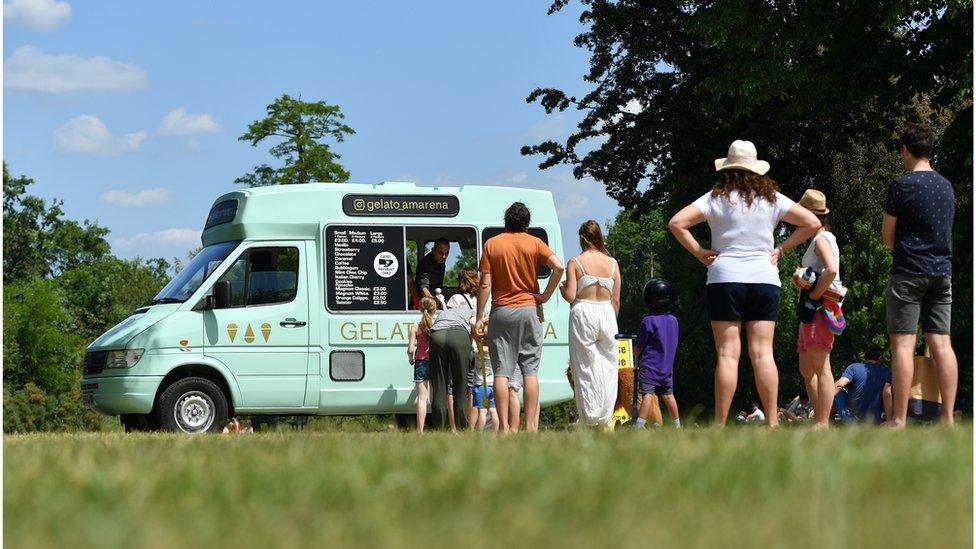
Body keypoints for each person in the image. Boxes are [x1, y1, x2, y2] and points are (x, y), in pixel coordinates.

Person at [668, 140, 820, 426]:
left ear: (728, 169)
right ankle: (773, 423)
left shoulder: (715, 198)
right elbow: (811, 222)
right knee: (763, 353)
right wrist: (783, 248)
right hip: (764, 279)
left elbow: (677, 222)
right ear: (756, 170)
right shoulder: (773, 198)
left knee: (727, 353)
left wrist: (700, 252)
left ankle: (721, 424)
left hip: (724, 279)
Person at [882, 122, 957, 427]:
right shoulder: (947, 186)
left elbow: (888, 237)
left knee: (902, 346)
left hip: (908, 273)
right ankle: (949, 419)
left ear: (905, 149)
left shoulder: (901, 185)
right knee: (942, 344)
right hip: (942, 273)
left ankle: (899, 419)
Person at [476, 202, 564, 432]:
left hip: (501, 311)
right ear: (526, 223)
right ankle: (531, 426)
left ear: (506, 220)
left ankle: (504, 427)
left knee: (501, 373)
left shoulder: (492, 244)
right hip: (529, 309)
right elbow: (559, 267)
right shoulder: (535, 243)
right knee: (530, 371)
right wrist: (544, 295)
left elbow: (485, 283)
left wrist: (478, 316)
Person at [559, 220, 621, 428]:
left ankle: (589, 417)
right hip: (607, 313)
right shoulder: (612, 264)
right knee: (608, 366)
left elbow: (570, 296)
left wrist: (562, 289)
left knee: (584, 367)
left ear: (583, 239)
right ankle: (605, 417)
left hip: (584, 312)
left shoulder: (575, 262)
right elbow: (616, 300)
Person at [793, 189, 842, 429]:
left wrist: (813, 294)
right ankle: (820, 416)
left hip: (819, 308)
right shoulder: (819, 239)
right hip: (811, 309)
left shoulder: (822, 239)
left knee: (822, 366)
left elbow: (831, 270)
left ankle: (823, 422)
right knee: (806, 366)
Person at [633, 279, 681, 429]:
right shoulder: (674, 320)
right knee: (668, 395)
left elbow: (639, 347)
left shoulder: (647, 321)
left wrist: (636, 353)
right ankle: (677, 426)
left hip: (650, 367)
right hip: (667, 367)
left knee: (648, 395)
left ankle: (639, 426)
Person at [428, 304, 476, 431]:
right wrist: (469, 342)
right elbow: (474, 325)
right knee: (460, 385)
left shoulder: (444, 313)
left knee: (439, 385)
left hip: (437, 335)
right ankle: (461, 427)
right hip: (459, 336)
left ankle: (438, 427)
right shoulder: (470, 311)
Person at [834, 346, 893, 424]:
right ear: (880, 358)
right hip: (873, 421)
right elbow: (887, 394)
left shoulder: (853, 367)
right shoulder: (887, 371)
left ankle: (828, 419)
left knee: (837, 390)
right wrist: (889, 421)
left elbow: (839, 385)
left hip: (850, 420)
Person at [407, 297, 436, 433]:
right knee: (435, 397)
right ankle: (438, 426)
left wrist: (410, 358)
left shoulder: (415, 326)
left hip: (420, 362)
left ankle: (420, 431)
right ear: (434, 309)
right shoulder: (437, 324)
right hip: (435, 362)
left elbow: (411, 349)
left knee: (422, 398)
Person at [469, 338, 500, 431]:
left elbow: (472, 344)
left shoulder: (476, 352)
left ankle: (479, 432)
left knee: (482, 411)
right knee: (494, 411)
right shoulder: (494, 352)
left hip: (480, 386)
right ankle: (495, 432)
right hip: (492, 385)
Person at [416, 238, 451, 308]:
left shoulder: (440, 261)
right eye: (441, 253)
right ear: (433, 250)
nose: (444, 257)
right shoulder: (425, 264)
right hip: (423, 304)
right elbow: (423, 289)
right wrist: (435, 302)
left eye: (446, 253)